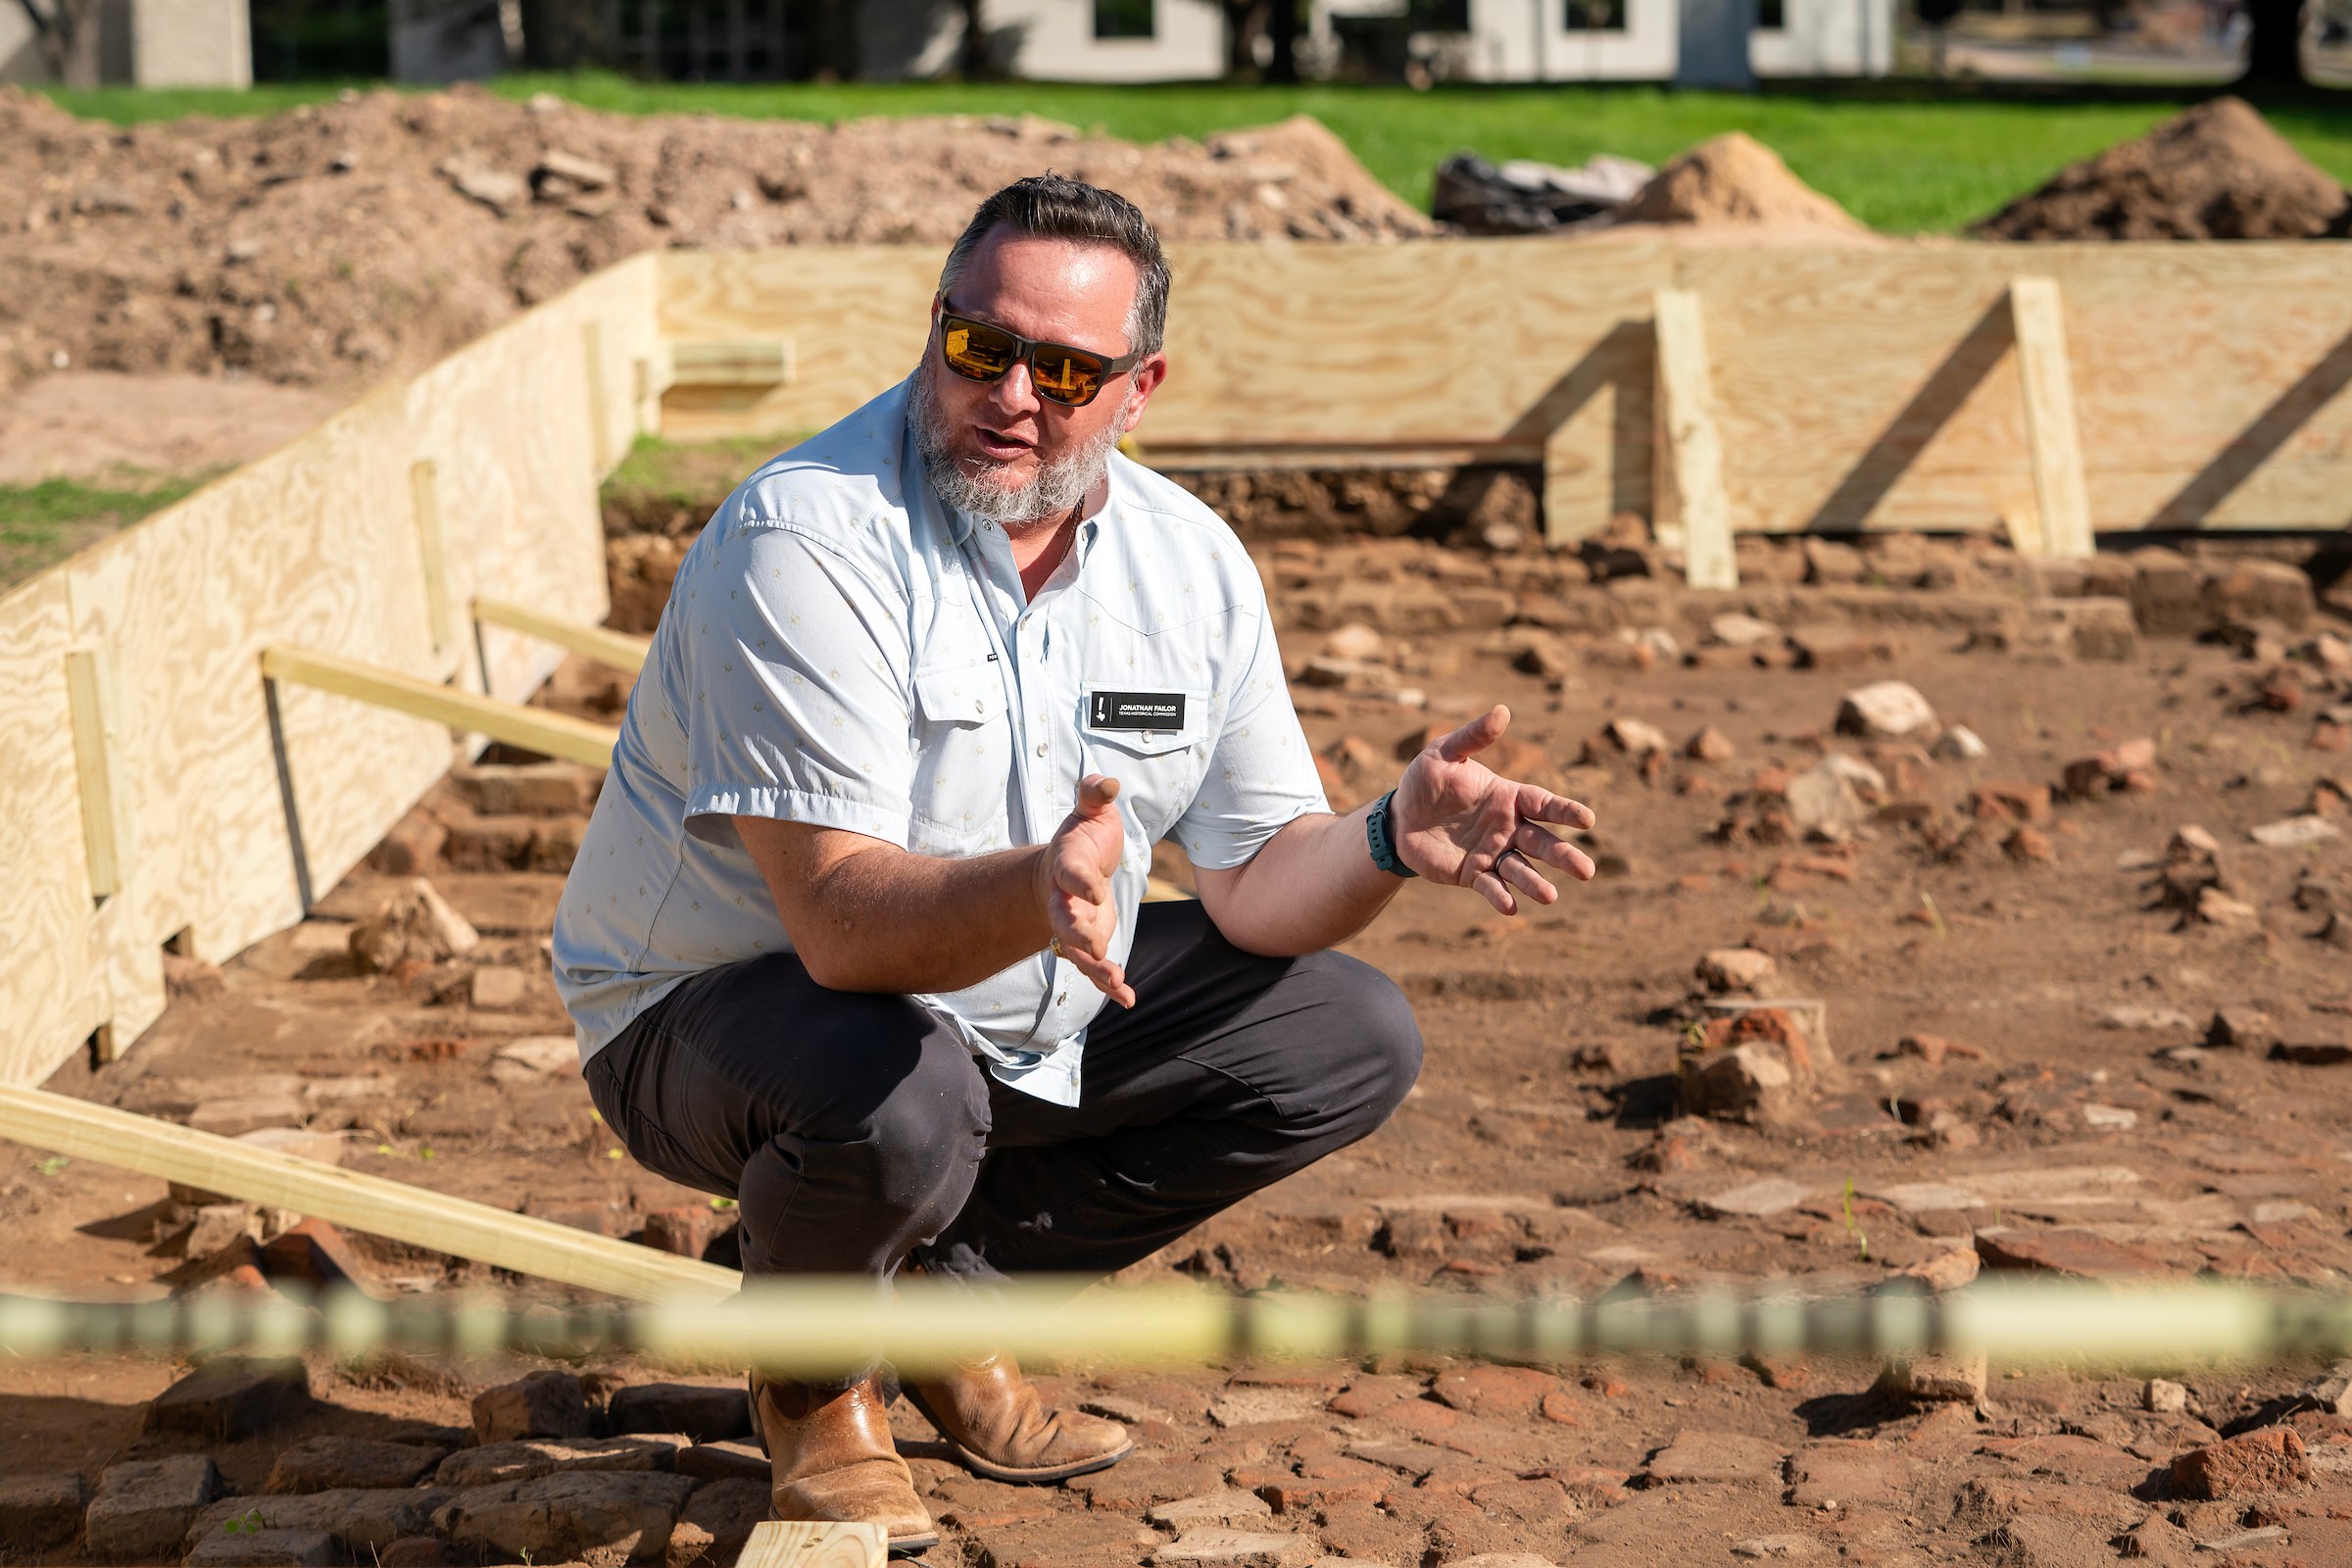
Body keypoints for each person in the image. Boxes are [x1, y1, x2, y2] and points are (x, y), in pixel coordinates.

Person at [551, 174, 1597, 1551]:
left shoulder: (1191, 565)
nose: (1011, 396)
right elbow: (842, 935)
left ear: (1139, 386)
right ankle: (813, 1378)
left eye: (1064, 369)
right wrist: (1037, 891)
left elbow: (1262, 880)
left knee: (1345, 1031)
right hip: (710, 1020)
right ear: (936, 327)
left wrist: (1388, 840)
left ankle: (943, 1305)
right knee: (898, 1093)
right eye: (979, 347)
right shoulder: (806, 537)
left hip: (984, 1010)